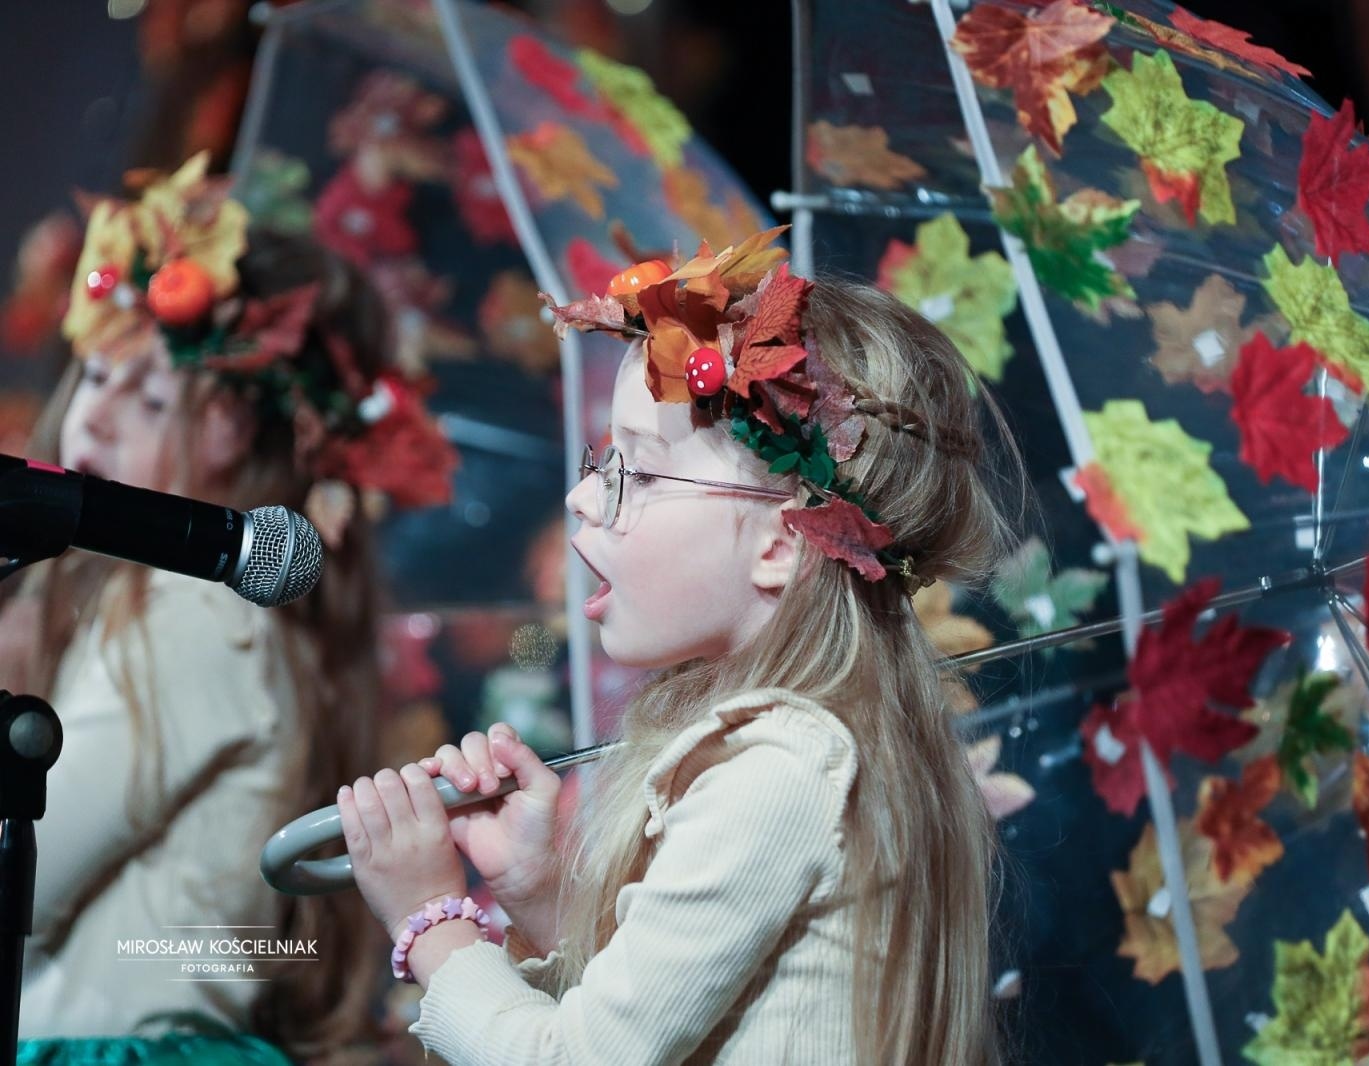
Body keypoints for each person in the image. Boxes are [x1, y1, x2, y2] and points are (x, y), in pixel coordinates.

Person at [336, 229, 1026, 1064]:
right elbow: (668, 1017)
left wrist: (431, 918)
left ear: (781, 542)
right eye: (604, 458)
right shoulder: (797, 749)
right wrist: (538, 889)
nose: (583, 496)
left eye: (640, 470)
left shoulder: (784, 765)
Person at [7, 153, 456, 1065]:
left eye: (151, 394)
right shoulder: (196, 615)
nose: (94, 419)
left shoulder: (194, 610)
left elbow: (28, 869)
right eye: (93, 377)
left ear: (238, 437)